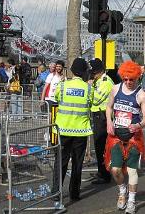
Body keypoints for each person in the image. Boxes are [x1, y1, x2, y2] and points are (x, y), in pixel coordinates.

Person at [104, 61, 145, 214]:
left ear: (137, 77)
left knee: (132, 171)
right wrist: (109, 122)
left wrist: (139, 125)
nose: (129, 82)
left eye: (132, 79)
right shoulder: (116, 89)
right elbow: (109, 106)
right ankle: (122, 190)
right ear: (122, 77)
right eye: (126, 79)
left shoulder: (141, 94)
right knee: (115, 169)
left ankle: (131, 201)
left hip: (134, 138)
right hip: (116, 136)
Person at [53, 58, 92, 201]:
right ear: (84, 73)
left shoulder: (62, 86)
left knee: (61, 161)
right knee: (77, 162)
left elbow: (57, 98)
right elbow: (91, 103)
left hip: (63, 129)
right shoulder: (88, 88)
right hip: (80, 131)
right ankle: (74, 193)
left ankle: (56, 192)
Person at [89, 58, 114, 184]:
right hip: (99, 116)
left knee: (101, 146)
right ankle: (101, 171)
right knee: (99, 146)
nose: (93, 75)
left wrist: (90, 89)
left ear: (100, 71)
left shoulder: (105, 81)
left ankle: (104, 174)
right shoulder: (99, 80)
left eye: (94, 72)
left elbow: (96, 99)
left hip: (102, 116)